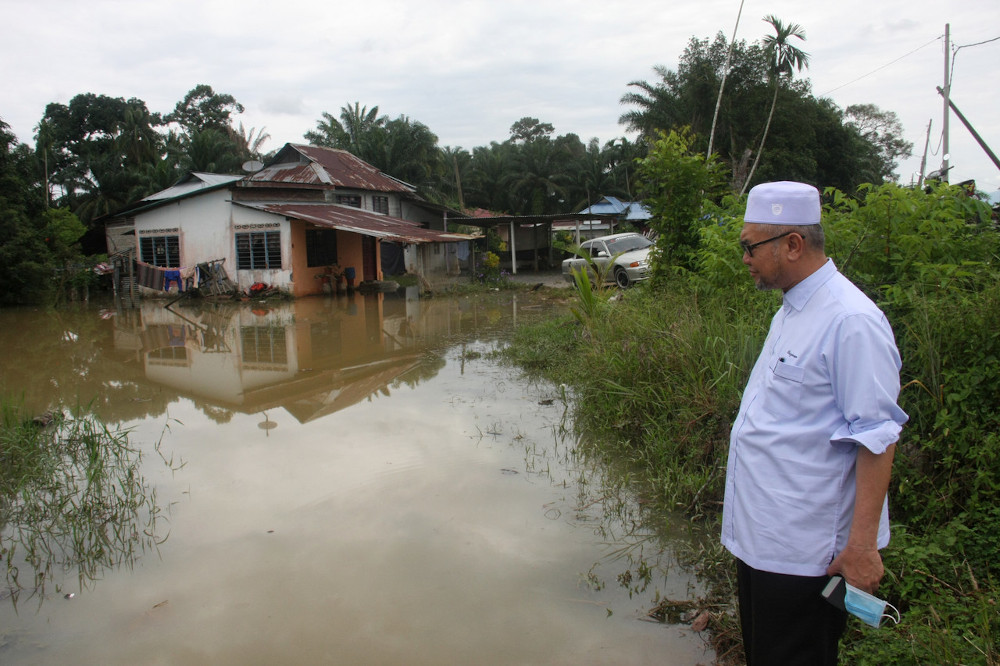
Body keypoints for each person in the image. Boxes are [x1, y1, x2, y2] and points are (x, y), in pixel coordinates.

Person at [721, 181, 908, 664]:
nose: (744, 257)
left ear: (792, 244)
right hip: (766, 542)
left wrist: (862, 548)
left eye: (749, 246)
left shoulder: (850, 321)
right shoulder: (793, 306)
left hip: (807, 554)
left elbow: (877, 437)